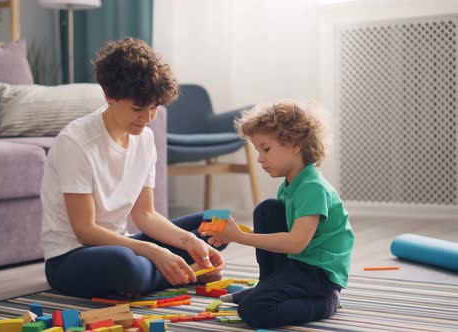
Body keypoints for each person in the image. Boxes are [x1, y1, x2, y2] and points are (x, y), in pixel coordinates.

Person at [41, 38, 225, 299]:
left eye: (154, 108)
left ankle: (173, 270)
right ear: (108, 95)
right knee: (126, 264)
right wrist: (155, 251)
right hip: (72, 258)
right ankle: (182, 273)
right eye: (138, 108)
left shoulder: (146, 138)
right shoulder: (76, 142)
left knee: (217, 222)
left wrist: (189, 241)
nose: (147, 118)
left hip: (125, 243)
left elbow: (146, 215)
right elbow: (85, 230)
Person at [202, 102, 354, 329]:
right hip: (300, 265)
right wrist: (232, 234)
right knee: (267, 210)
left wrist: (239, 237)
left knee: (253, 310)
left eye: (266, 149)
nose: (260, 159)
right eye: (258, 151)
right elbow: (284, 234)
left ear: (295, 144)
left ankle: (326, 302)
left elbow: (295, 243)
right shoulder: (290, 185)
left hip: (319, 276)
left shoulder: (313, 188)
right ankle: (268, 285)